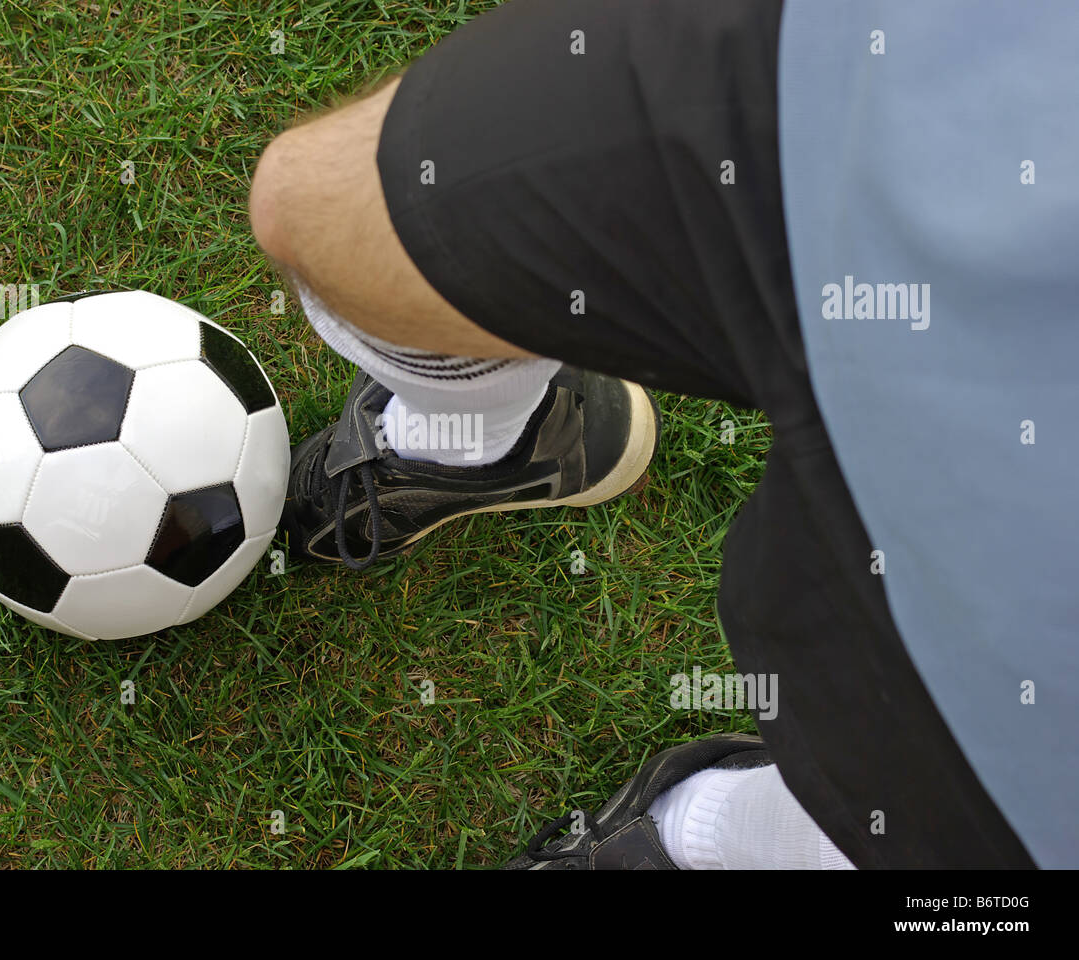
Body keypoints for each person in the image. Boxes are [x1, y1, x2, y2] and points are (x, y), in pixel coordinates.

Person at [247, 0, 1076, 868]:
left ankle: (708, 837)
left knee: (920, 791)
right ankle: (493, 443)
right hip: (945, 48)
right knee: (322, 209)